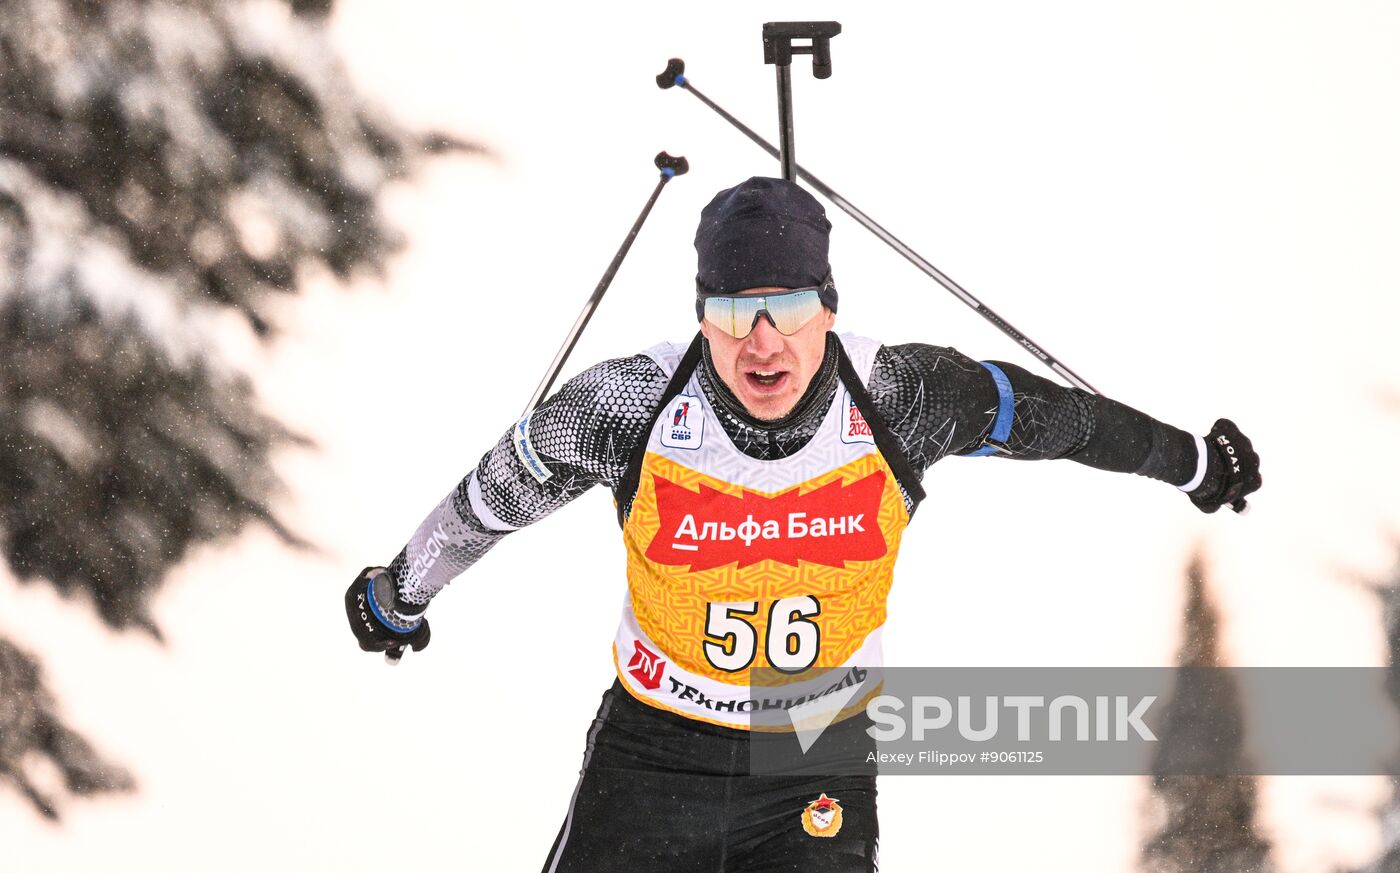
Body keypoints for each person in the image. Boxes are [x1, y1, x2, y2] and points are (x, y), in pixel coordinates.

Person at [345, 177, 1261, 872]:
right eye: (733, 311)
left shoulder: (901, 395)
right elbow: (486, 503)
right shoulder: (631, 403)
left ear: (828, 304)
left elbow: (1059, 420)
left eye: (785, 307)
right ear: (702, 317)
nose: (762, 341)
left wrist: (1188, 461)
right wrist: (401, 591)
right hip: (656, 747)